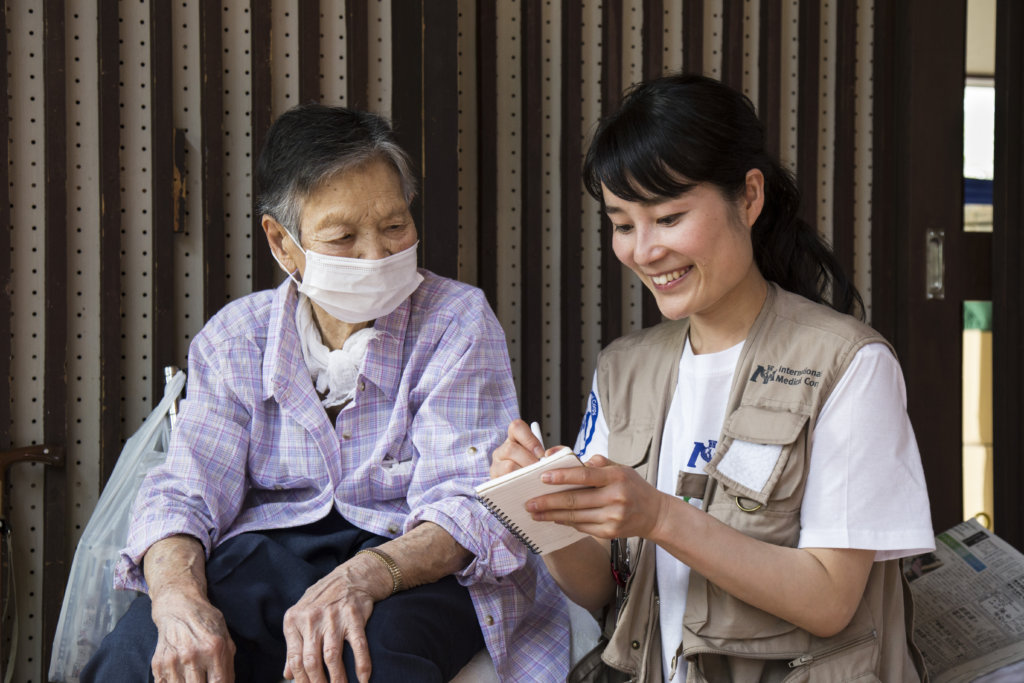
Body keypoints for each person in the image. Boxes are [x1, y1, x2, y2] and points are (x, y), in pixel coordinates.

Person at [83, 104, 569, 683]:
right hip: (265, 557)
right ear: (283, 244)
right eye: (342, 237)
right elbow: (186, 492)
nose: (376, 255)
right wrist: (174, 599)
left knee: (368, 663)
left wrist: (361, 578)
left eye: (395, 226)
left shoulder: (455, 321)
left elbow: (463, 503)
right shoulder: (236, 338)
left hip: (411, 561)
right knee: (140, 656)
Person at [491, 73, 935, 682]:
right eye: (623, 225)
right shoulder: (625, 367)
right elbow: (602, 593)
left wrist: (660, 516)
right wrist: (541, 507)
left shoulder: (849, 364)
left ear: (749, 197)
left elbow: (830, 599)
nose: (644, 252)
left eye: (669, 218)